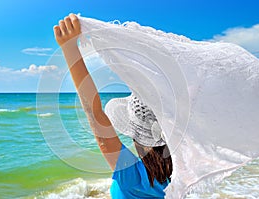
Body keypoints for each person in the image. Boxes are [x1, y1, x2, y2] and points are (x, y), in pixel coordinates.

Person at [53, 13, 173, 199]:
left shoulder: (130, 177)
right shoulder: (184, 173)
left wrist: (69, 49)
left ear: (136, 135)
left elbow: (94, 113)